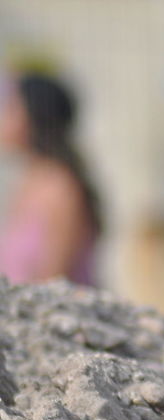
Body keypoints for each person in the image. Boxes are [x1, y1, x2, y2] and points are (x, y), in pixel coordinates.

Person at [0, 71, 101, 286]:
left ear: (34, 117)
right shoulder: (31, 180)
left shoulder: (60, 188)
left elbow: (54, 281)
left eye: (10, 109)